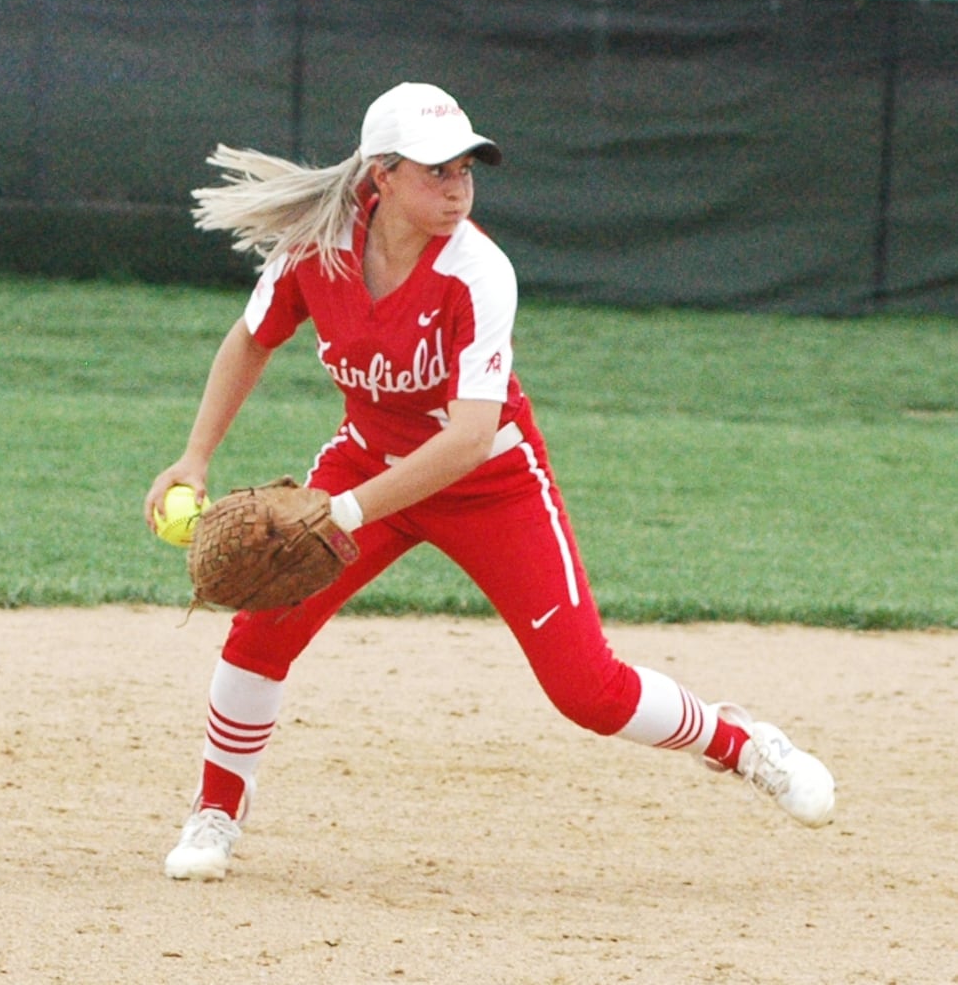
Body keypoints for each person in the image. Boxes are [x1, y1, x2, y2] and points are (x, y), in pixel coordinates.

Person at [145, 82, 835, 882]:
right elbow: (249, 340)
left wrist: (339, 510)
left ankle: (742, 743)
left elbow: (469, 437)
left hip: (490, 484)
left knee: (588, 692)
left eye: (466, 168)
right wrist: (195, 457)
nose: (457, 186)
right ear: (382, 176)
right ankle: (217, 812)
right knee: (263, 628)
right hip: (368, 461)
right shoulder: (317, 249)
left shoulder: (478, 270)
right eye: (436, 171)